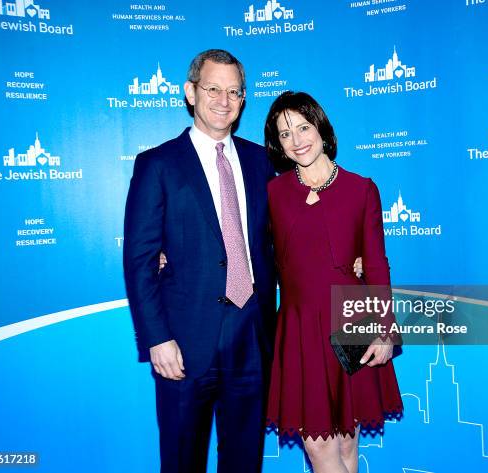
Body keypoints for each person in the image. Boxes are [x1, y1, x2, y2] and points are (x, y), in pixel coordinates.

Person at [123, 49, 277, 473]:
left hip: (253, 337)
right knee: (181, 459)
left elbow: (278, 245)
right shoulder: (157, 164)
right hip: (184, 343)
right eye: (213, 89)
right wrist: (156, 339)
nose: (223, 100)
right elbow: (139, 261)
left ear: (244, 99)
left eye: (234, 91)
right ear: (191, 92)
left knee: (245, 461)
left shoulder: (262, 162)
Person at [264, 91, 403, 473]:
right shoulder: (273, 192)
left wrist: (385, 331)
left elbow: (376, 265)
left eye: (304, 127)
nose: (298, 140)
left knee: (345, 450)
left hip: (351, 321)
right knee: (321, 452)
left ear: (322, 129)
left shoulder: (361, 189)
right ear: (278, 144)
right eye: (285, 133)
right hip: (300, 330)